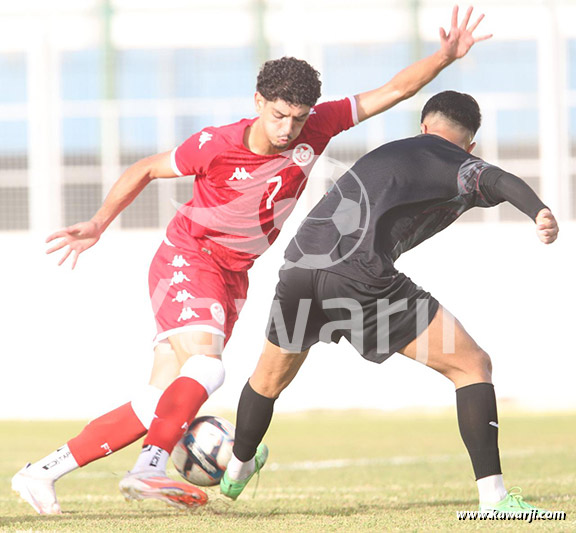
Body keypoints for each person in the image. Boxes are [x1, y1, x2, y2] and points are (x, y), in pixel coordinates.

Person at [12, 7, 491, 514]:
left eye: (299, 118)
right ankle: (150, 468)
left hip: (232, 275)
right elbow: (147, 168)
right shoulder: (217, 145)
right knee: (207, 367)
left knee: (157, 402)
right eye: (278, 114)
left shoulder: (317, 127)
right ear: (258, 101)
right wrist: (98, 223)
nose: (288, 129)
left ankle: (40, 473)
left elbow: (392, 91)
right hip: (188, 257)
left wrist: (443, 56)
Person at [219, 90, 559, 515]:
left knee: (267, 379)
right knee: (472, 366)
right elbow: (497, 180)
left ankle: (237, 467)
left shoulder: (396, 150)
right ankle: (494, 500)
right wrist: (539, 210)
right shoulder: (453, 158)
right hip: (358, 277)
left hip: (300, 267)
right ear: (470, 145)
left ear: (424, 126)